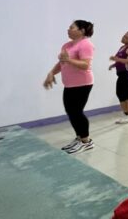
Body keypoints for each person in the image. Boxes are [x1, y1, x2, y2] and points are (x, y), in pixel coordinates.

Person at [43, 20, 96, 154]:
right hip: (69, 84)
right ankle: (79, 137)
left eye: (71, 27)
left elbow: (86, 65)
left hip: (83, 83)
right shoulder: (66, 45)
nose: (68, 29)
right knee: (71, 112)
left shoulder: (86, 44)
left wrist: (68, 60)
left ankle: (86, 141)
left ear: (82, 31)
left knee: (76, 112)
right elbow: (61, 63)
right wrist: (51, 73)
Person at [110, 30, 128, 124]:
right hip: (123, 73)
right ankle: (127, 114)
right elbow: (121, 60)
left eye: (127, 37)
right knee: (120, 93)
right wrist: (114, 65)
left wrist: (118, 59)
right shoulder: (122, 47)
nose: (124, 37)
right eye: (124, 35)